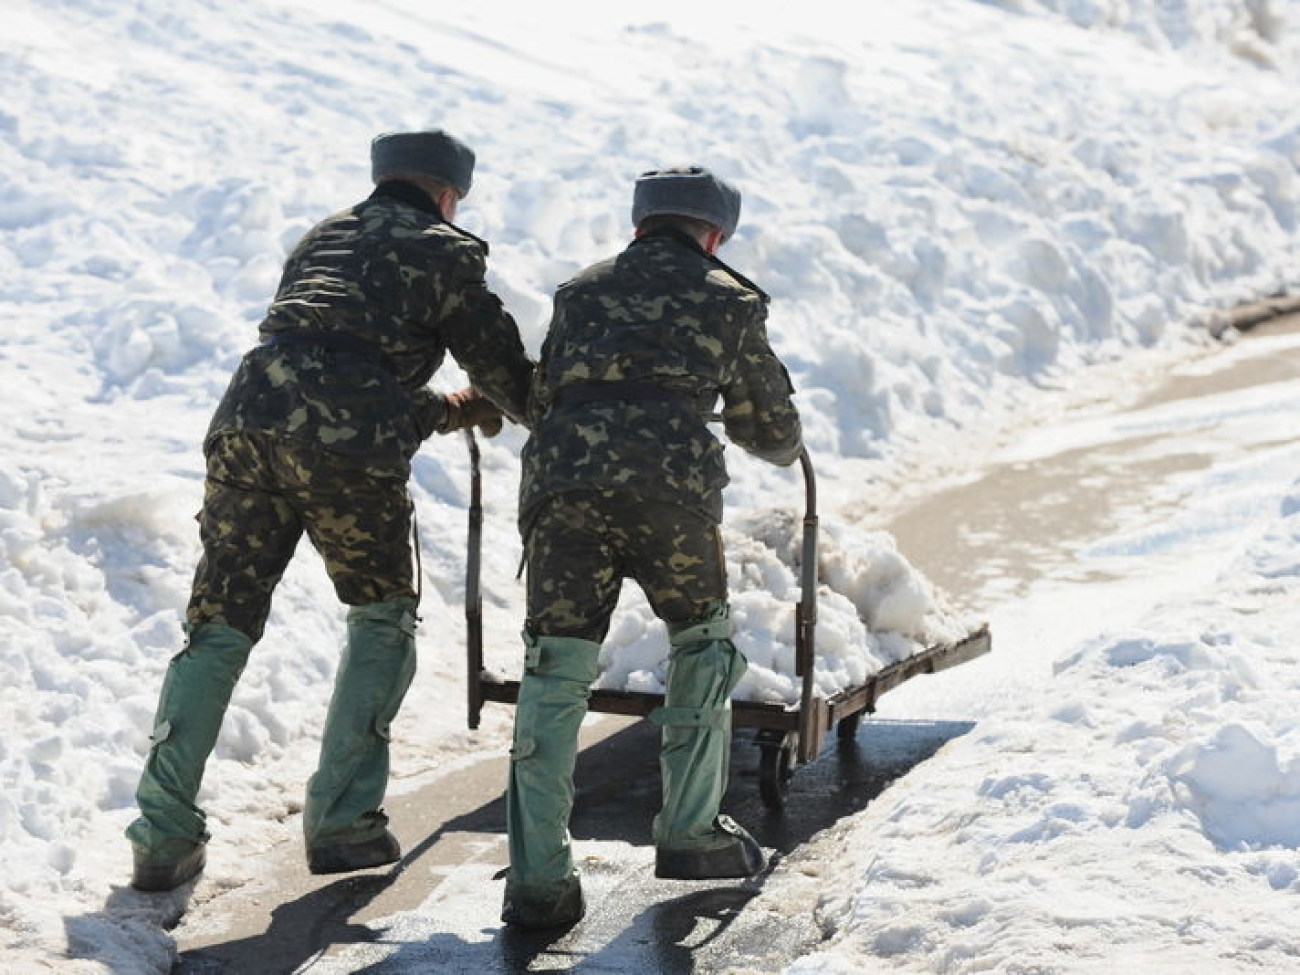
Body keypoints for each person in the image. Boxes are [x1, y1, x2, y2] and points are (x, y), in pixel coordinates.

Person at [126, 129, 533, 892]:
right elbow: (499, 373)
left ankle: (160, 831)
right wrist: (567, 413)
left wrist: (447, 409)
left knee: (218, 624)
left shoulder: (326, 236)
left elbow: (331, 357)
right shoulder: (446, 250)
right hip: (349, 452)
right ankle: (343, 822)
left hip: (246, 421)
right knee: (382, 615)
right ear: (450, 194)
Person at [502, 166, 803, 928]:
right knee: (701, 638)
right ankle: (690, 831)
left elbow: (540, 397)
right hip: (668, 491)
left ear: (641, 223)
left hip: (562, 486)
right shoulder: (729, 300)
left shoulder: (579, 291)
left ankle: (537, 879)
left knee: (554, 666)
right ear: (716, 234)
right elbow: (769, 431)